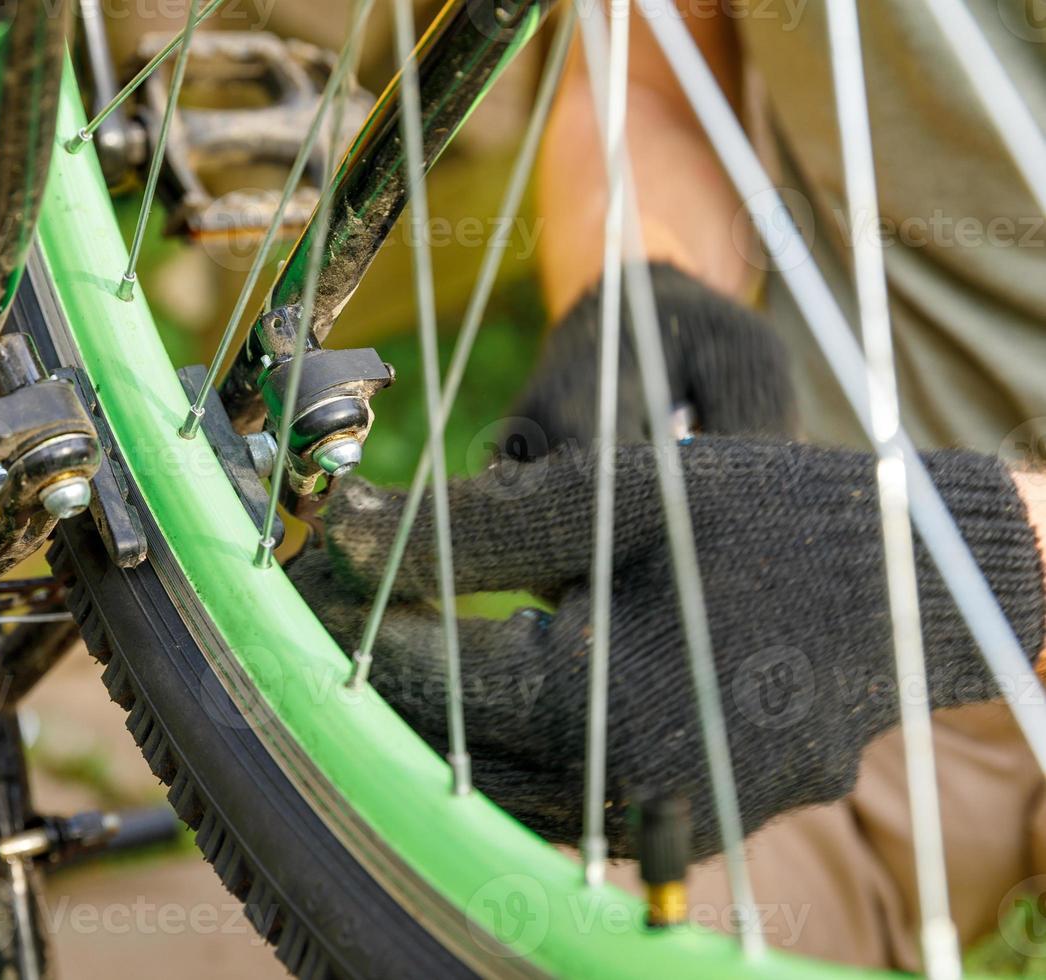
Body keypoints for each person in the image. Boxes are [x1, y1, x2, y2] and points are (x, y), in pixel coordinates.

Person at [292, 0, 1046, 969]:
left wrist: (962, 563)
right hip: (859, 709)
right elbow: (651, 90)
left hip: (926, 577)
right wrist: (646, 301)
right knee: (466, 916)